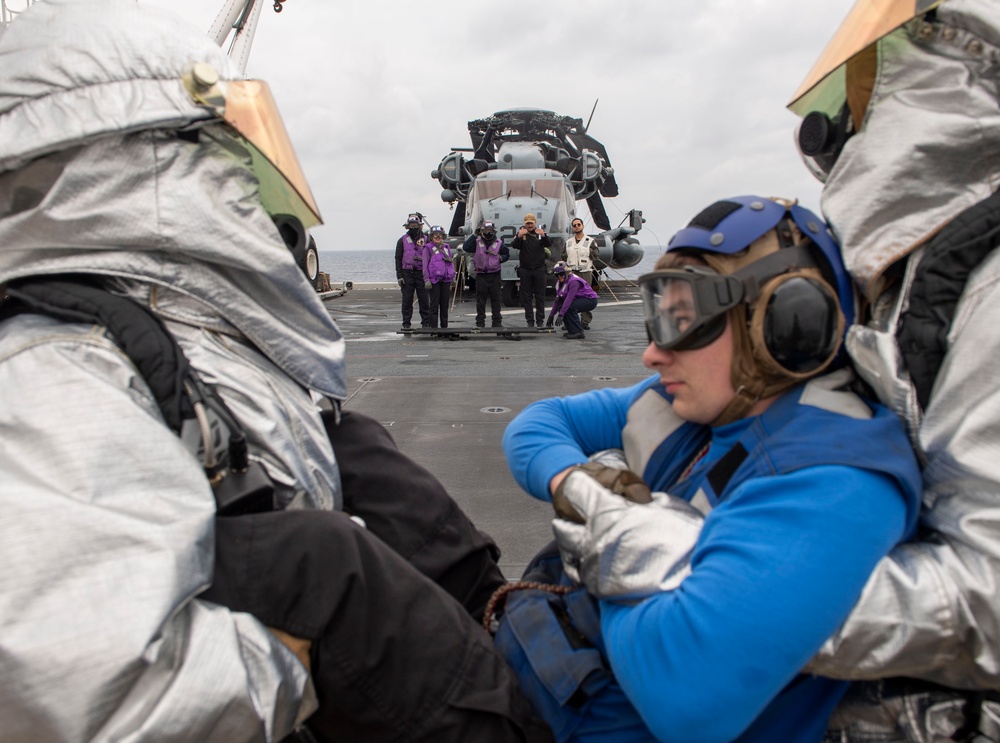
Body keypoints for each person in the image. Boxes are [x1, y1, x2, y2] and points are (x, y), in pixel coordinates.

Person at [0, 2, 549, 742]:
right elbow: (88, 694)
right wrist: (334, 645)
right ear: (151, 160)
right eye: (229, 152)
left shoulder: (174, 331)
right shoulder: (53, 371)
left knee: (356, 446)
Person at [496, 195, 922, 742]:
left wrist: (608, 547)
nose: (652, 353)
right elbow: (536, 426)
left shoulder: (834, 479)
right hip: (548, 677)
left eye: (686, 321)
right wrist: (581, 487)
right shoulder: (699, 402)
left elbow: (684, 701)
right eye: (660, 317)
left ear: (786, 327)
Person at [785, 1, 1000, 737]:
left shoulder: (987, 287)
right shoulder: (912, 266)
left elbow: (991, 605)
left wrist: (721, 588)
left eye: (866, 74)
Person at [463, 220, 509, 328]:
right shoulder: (477, 242)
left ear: (494, 231)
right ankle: (480, 323)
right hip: (481, 275)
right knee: (480, 301)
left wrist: (501, 258)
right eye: (486, 230)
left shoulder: (499, 243)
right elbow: (466, 247)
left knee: (496, 300)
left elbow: (506, 253)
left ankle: (497, 323)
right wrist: (474, 235)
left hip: (495, 274)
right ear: (481, 231)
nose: (488, 233)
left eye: (491, 230)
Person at [510, 213, 551, 327]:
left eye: (531, 223)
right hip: (525, 270)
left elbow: (549, 244)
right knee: (526, 297)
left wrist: (543, 235)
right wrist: (518, 236)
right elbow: (514, 245)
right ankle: (530, 321)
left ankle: (540, 320)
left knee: (540, 297)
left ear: (535, 223)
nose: (529, 225)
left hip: (539, 269)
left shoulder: (539, 233)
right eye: (527, 223)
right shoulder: (521, 234)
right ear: (524, 224)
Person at [560, 219, 599, 328]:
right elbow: (563, 255)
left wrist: (589, 252)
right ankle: (570, 320)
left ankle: (585, 321)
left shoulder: (590, 241)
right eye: (574, 225)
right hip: (571, 273)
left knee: (586, 296)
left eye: (578, 224)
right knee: (569, 296)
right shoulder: (568, 242)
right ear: (572, 227)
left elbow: (596, 255)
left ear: (582, 226)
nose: (576, 227)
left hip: (585, 271)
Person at [394, 213, 430, 329]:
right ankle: (406, 324)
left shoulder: (426, 240)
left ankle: (425, 323)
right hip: (407, 273)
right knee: (407, 301)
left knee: (424, 300)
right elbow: (398, 258)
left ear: (420, 225)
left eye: (415, 224)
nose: (413, 227)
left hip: (421, 273)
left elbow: (431, 258)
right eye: (411, 224)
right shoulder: (402, 240)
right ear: (407, 226)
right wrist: (399, 275)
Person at [544, 261, 598, 340]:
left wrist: (561, 315)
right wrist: (551, 316)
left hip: (590, 300)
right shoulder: (559, 284)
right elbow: (557, 300)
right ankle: (572, 330)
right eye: (557, 275)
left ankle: (578, 332)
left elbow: (569, 299)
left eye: (561, 274)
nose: (559, 277)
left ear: (566, 272)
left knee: (570, 307)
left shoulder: (574, 282)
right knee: (561, 307)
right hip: (580, 299)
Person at [422, 225, 456, 332]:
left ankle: (444, 328)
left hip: (446, 280)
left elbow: (450, 263)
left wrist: (453, 276)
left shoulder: (446, 247)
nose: (438, 237)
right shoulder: (427, 248)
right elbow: (424, 265)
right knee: (434, 306)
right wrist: (426, 280)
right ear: (431, 237)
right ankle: (434, 329)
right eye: (435, 235)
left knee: (444, 305)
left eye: (440, 235)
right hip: (434, 281)